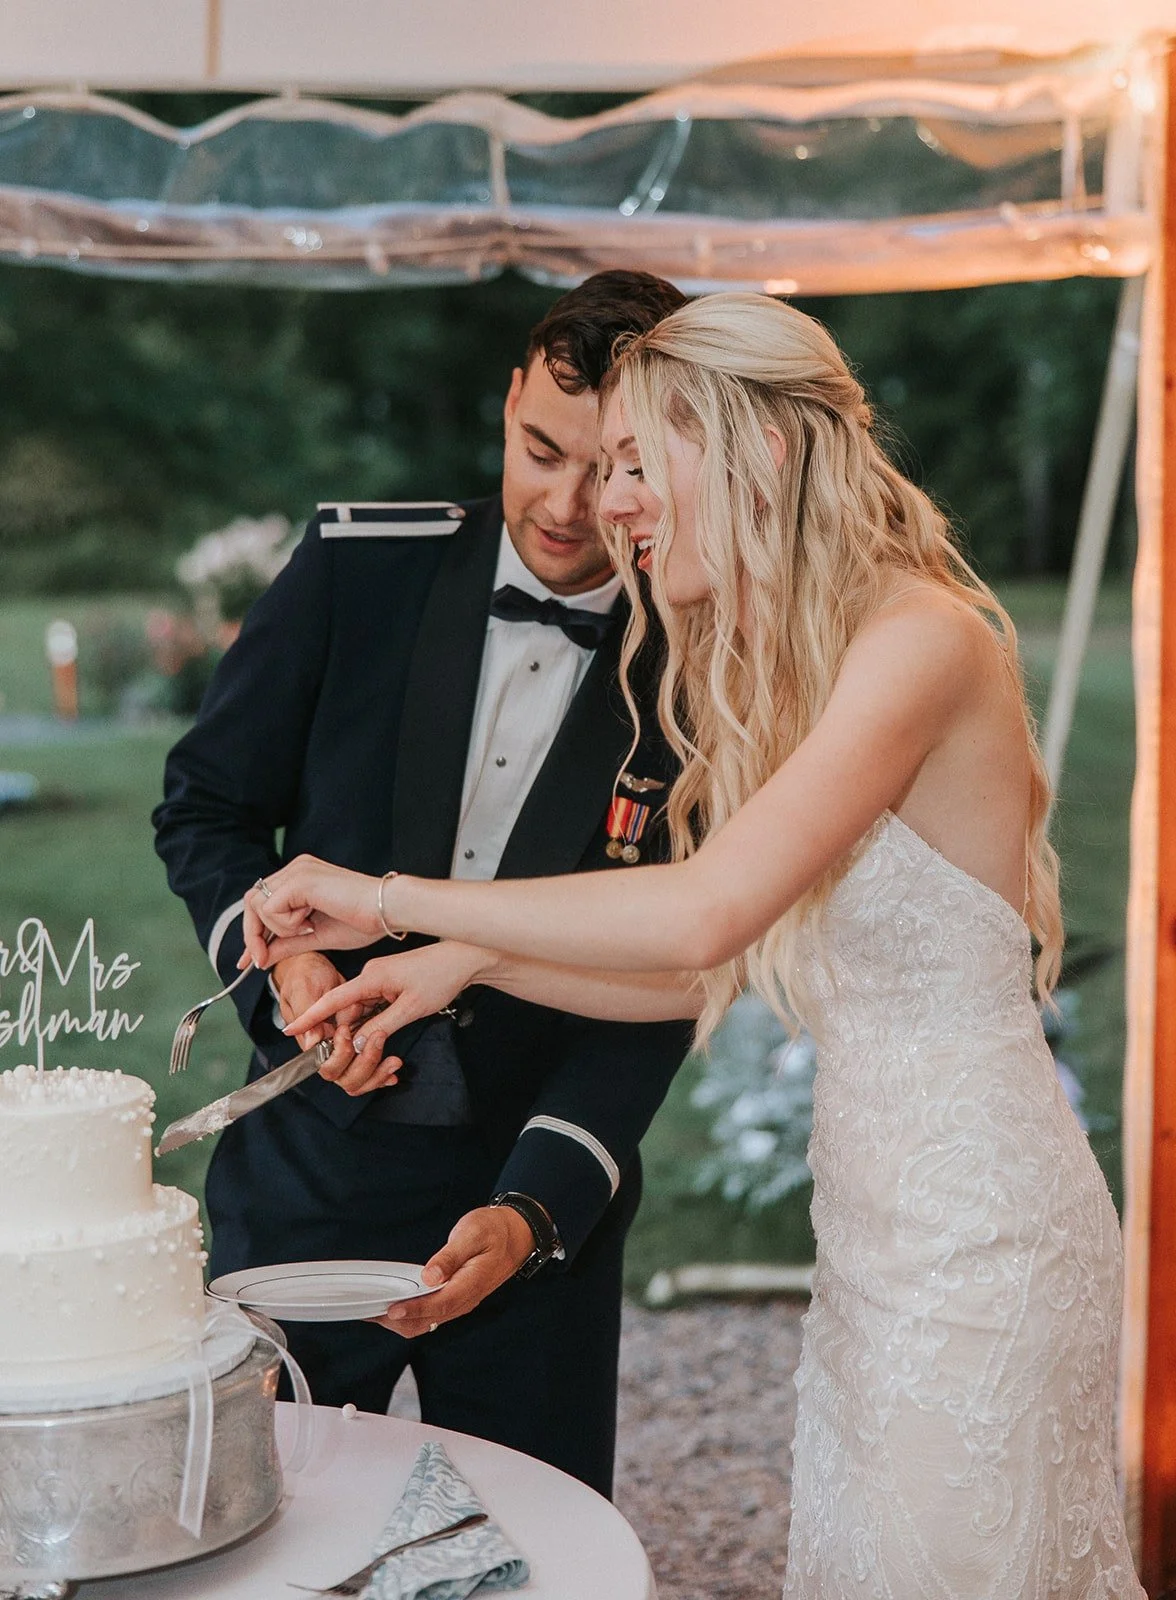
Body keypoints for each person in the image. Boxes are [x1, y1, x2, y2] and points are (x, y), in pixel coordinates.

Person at [244, 293, 1144, 1597]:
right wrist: (474, 964)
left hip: (980, 1248)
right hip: (879, 1241)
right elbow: (688, 971)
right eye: (594, 467)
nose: (611, 506)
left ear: (757, 452)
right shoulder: (816, 661)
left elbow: (703, 906)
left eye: (631, 465)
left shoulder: (923, 641)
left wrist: (398, 902)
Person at [152, 269, 693, 1497]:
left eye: (604, 469)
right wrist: (288, 968)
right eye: (537, 447)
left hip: (536, 1182)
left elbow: (669, 973)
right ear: (507, 398)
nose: (562, 505)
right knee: (267, 1518)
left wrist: (534, 1209)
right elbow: (209, 808)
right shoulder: (363, 569)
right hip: (308, 1168)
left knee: (523, 1540)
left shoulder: (701, 661)